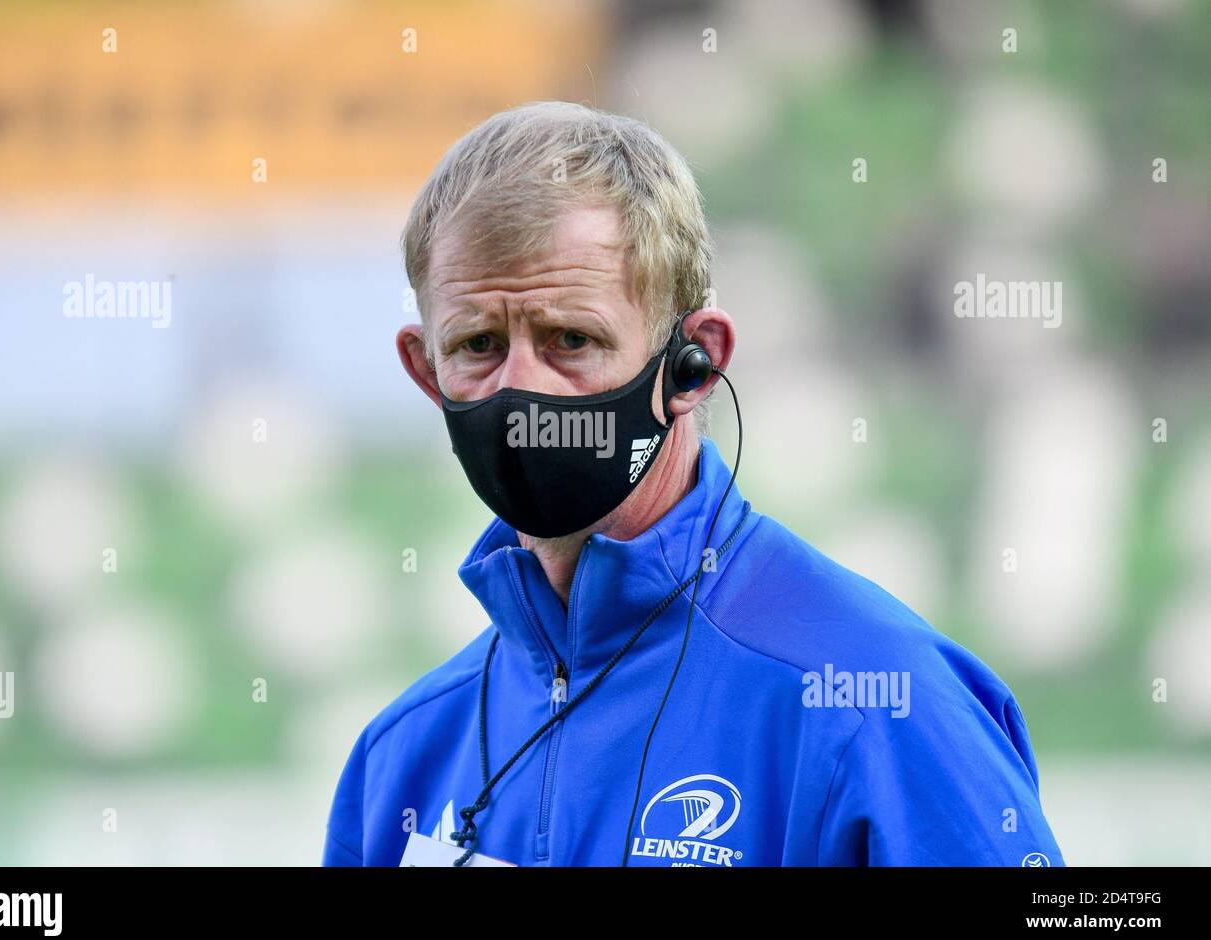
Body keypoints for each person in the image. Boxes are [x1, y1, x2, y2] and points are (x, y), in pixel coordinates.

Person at [323, 101, 1065, 867]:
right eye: (478, 344)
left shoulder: (878, 708)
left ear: (693, 362)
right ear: (425, 370)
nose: (521, 397)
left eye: (571, 339)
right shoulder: (401, 761)